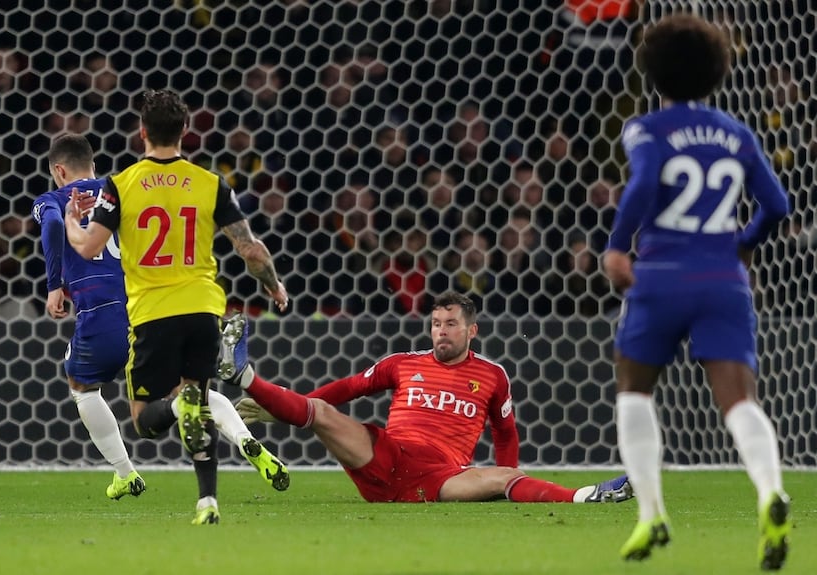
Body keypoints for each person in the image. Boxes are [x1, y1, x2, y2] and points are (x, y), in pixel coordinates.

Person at [602, 14, 791, 569]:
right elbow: (777, 206)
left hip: (659, 277)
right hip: (723, 281)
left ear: (653, 71)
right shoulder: (738, 133)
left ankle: (651, 514)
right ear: (717, 73)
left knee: (635, 393)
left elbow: (642, 182)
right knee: (740, 402)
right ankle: (769, 490)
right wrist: (741, 243)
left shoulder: (645, 129)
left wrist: (618, 245)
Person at [64, 89, 290, 525]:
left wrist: (75, 223)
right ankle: (207, 501)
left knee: (146, 421)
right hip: (205, 309)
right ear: (185, 131)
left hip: (152, 313)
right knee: (199, 400)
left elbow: (90, 248)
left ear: (142, 131)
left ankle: (176, 410)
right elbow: (252, 251)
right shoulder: (210, 183)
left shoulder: (122, 184)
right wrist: (275, 288)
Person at [229, 292, 633, 505]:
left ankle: (585, 497)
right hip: (386, 456)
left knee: (509, 477)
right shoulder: (403, 363)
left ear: (471, 331)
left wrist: (498, 482)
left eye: (451, 324)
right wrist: (280, 407)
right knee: (320, 411)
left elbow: (506, 432)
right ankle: (245, 376)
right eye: (436, 323)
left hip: (442, 477)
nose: (441, 331)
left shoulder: (493, 376)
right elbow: (349, 387)